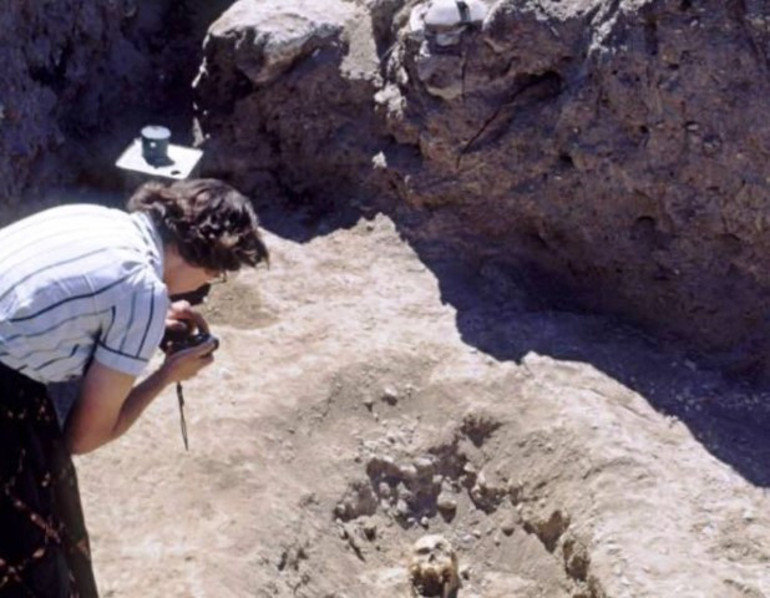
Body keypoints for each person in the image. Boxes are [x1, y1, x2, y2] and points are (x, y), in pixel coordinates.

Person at [0, 178, 269, 597]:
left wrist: (142, 326)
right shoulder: (142, 292)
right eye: (214, 275)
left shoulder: (97, 220)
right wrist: (166, 375)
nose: (203, 287)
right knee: (31, 566)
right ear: (202, 258)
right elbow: (84, 437)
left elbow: (68, 301)